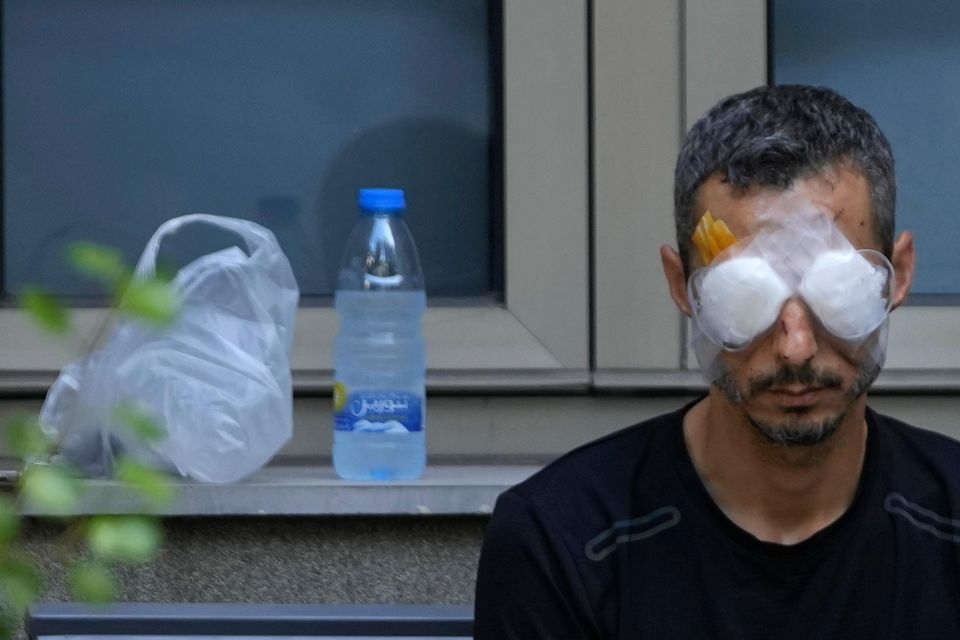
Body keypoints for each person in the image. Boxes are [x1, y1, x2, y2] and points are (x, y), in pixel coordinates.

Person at [474, 85, 960, 638]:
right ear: (683, 286)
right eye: (744, 296)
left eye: (839, 291)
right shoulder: (562, 539)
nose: (794, 347)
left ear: (896, 276)